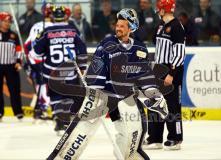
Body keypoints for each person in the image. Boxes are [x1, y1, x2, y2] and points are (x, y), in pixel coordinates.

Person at [47, 8, 168, 160]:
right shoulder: (107, 43)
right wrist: (94, 85)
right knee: (82, 128)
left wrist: (153, 93)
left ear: (131, 28)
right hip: (102, 93)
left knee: (133, 131)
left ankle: (131, 157)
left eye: (122, 26)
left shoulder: (140, 48)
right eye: (117, 25)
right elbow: (96, 68)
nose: (118, 28)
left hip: (125, 96)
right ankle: (61, 158)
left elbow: (143, 76)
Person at [30, 5, 88, 133]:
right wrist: (82, 66)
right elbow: (82, 49)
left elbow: (35, 53)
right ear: (66, 16)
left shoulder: (46, 32)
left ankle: (58, 119)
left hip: (52, 72)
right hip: (69, 72)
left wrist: (42, 48)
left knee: (56, 97)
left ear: (52, 16)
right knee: (68, 96)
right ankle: (65, 120)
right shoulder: (73, 31)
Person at [144, 0, 185, 150]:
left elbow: (179, 54)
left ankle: (175, 138)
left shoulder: (177, 27)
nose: (157, 11)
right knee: (154, 103)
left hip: (171, 70)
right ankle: (155, 138)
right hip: (158, 69)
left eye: (159, 9)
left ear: (164, 9)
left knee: (172, 106)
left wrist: (171, 74)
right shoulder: (161, 25)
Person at [24, 3, 54, 119]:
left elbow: (27, 45)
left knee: (41, 84)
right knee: (48, 84)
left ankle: (39, 108)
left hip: (34, 60)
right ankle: (44, 108)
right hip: (46, 60)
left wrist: (29, 59)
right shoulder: (54, 26)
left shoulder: (35, 25)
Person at [0, 12, 23, 121]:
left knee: (15, 89)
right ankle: (0, 112)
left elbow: (19, 50)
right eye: (5, 21)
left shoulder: (13, 35)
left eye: (9, 22)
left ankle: (18, 112)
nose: (7, 23)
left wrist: (19, 61)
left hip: (11, 65)